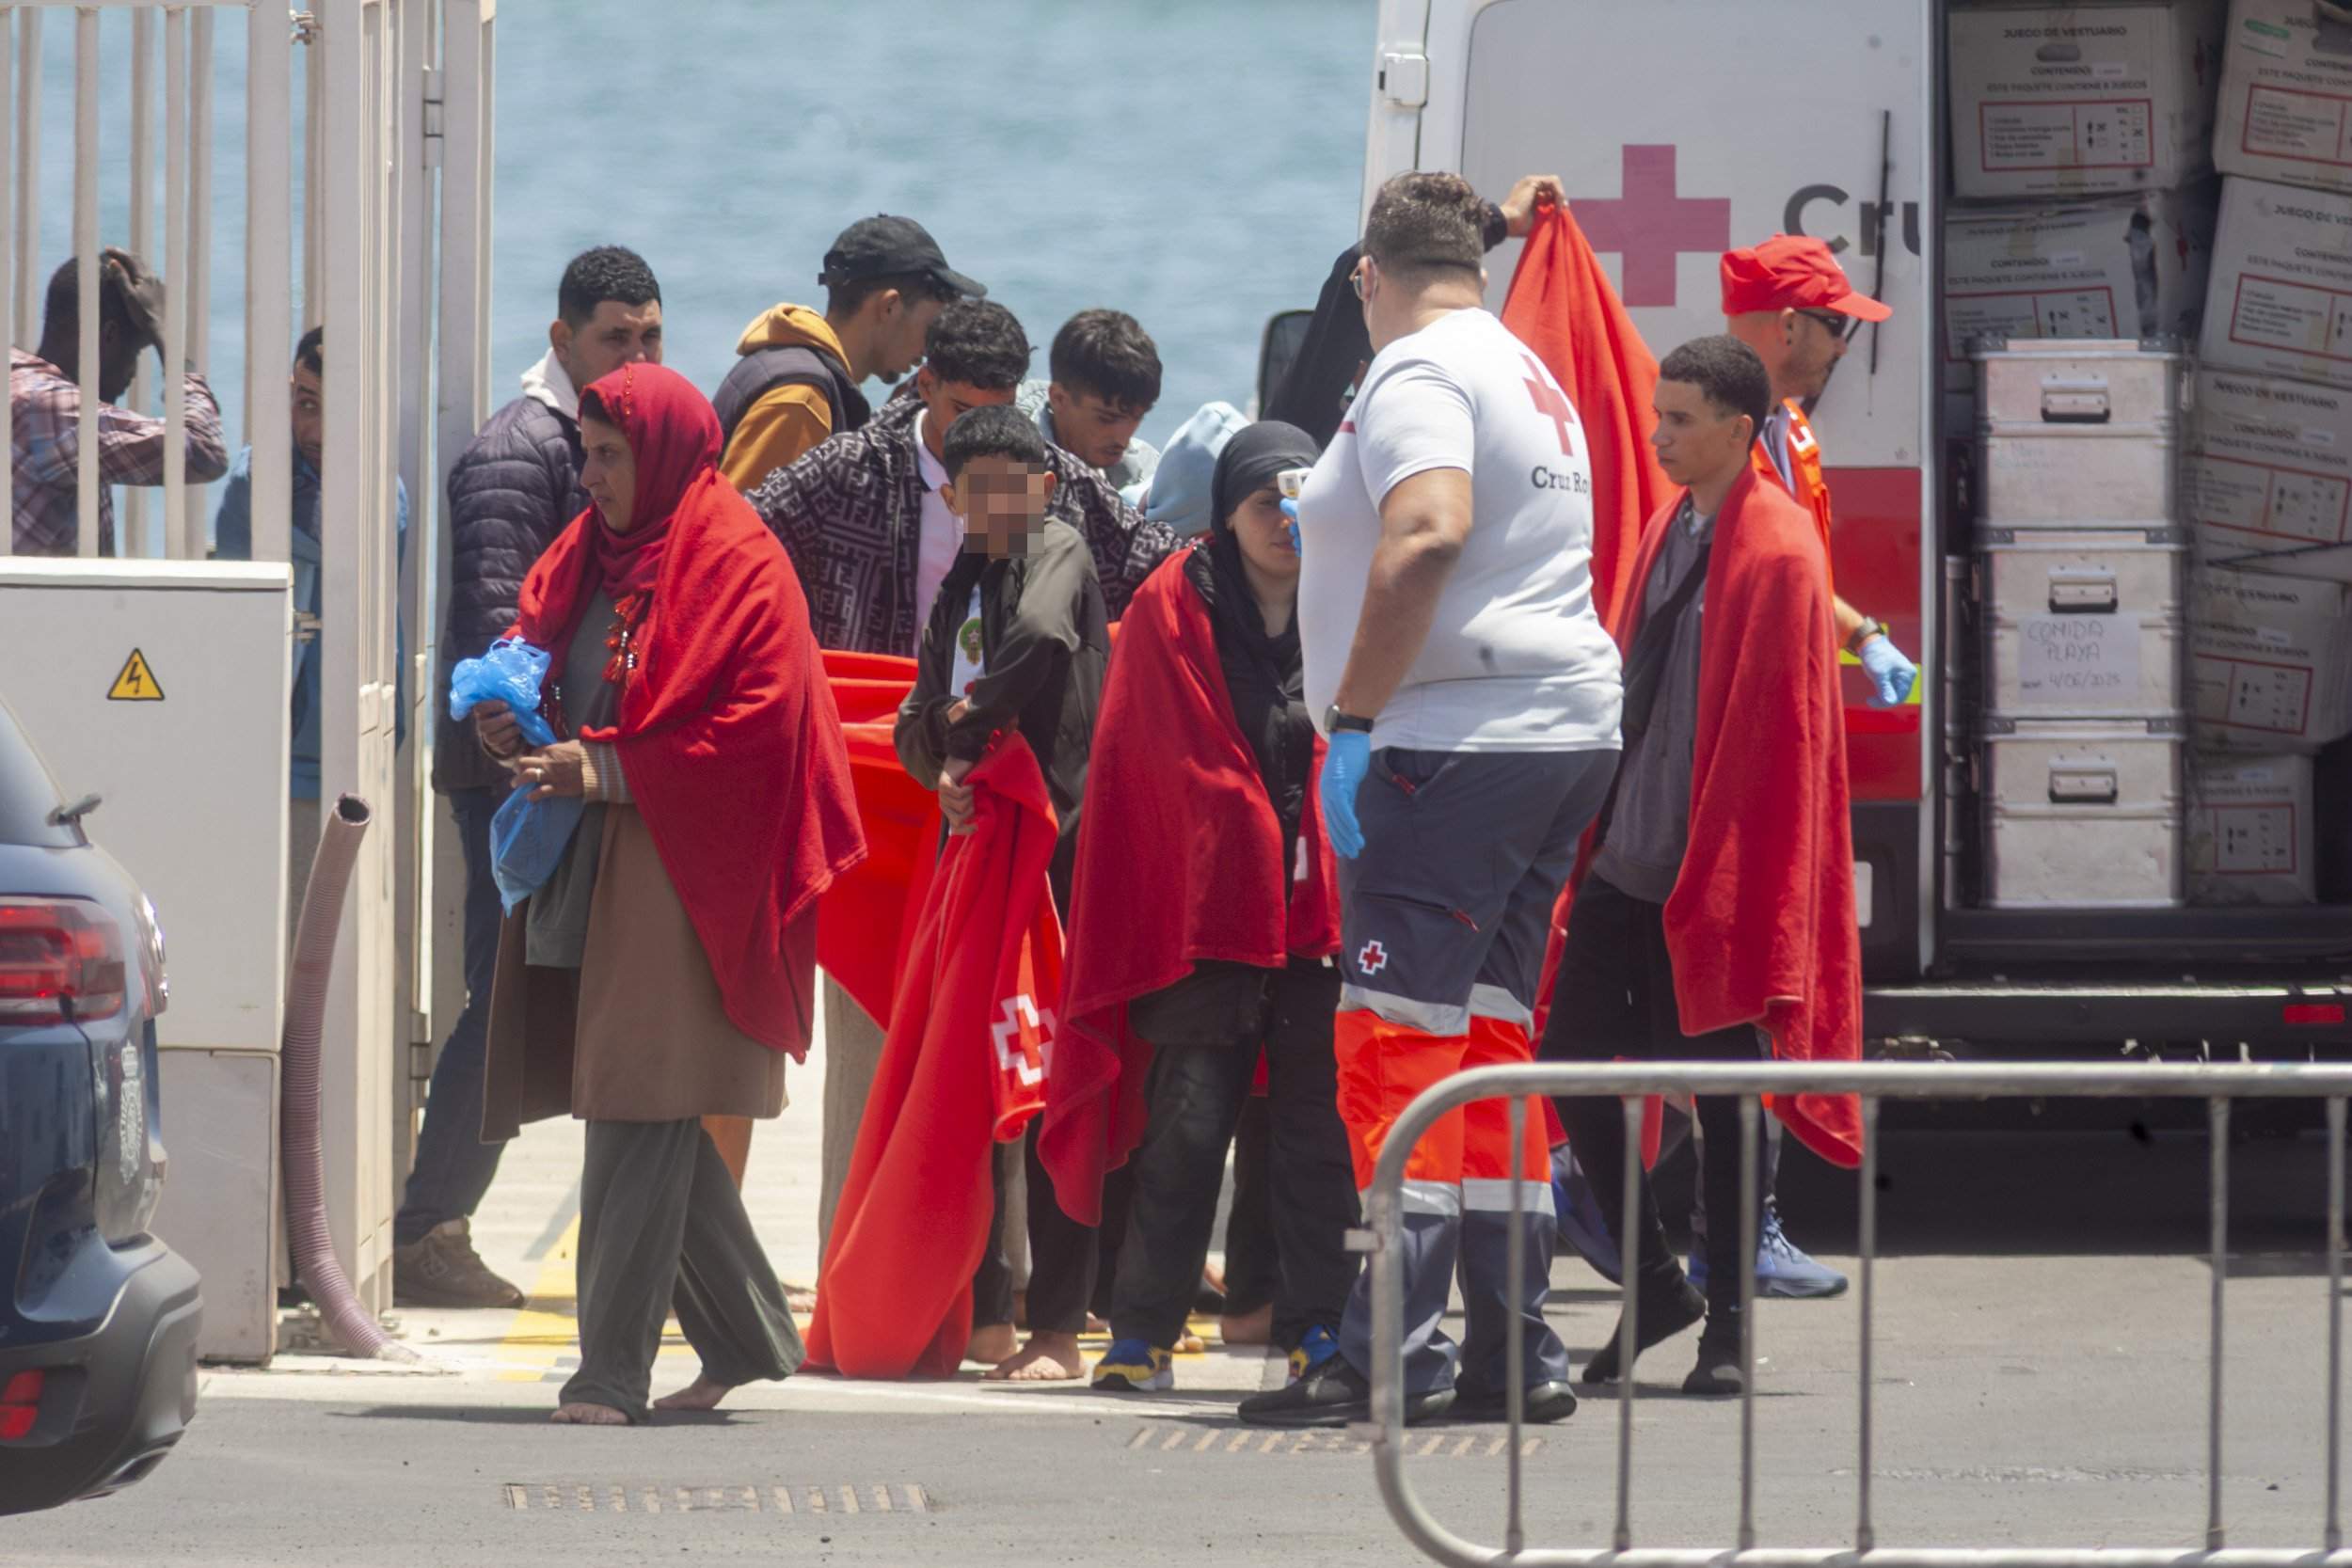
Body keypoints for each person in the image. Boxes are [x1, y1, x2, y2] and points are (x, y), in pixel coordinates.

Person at [1238, 172, 1623, 1429]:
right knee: (1489, 1046)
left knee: (1393, 1048)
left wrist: (1350, 718)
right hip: (1557, 733)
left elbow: (1428, 532)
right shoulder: (1521, 368)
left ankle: (1387, 1349)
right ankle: (1517, 1345)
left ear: (1366, 275)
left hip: (1448, 744)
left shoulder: (1415, 374)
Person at [748, 299, 1176, 1271]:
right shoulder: (849, 465)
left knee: (1011, 1025)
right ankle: (859, 1255)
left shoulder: (1051, 479)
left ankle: (1003, 1281)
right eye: (960, 410)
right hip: (883, 763)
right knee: (873, 1024)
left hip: (1014, 786)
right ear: (924, 384)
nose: (982, 439)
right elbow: (747, 545)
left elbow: (1156, 572)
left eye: (1001, 412)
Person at [473, 360, 864, 1426]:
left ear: (665, 453)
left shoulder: (736, 558)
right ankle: (744, 1332)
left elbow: (759, 725)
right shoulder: (590, 550)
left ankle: (608, 1373)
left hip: (688, 869)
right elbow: (544, 659)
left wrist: (603, 769)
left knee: (635, 1100)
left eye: (611, 454)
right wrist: (510, 720)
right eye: (587, 452)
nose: (591, 474)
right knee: (643, 1104)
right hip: (595, 861)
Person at [1542, 336, 1863, 1399]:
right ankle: (1653, 1279)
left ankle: (1725, 1321)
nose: (1658, 433)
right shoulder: (1665, 524)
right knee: (1571, 1064)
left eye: (1678, 418)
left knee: (1727, 1102)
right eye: (1657, 413)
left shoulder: (1776, 546)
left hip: (1707, 873)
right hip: (1627, 855)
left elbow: (1785, 746)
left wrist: (1736, 883)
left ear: (1738, 426)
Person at [1040, 420, 1359, 1395]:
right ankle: (1141, 1332)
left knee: (1312, 1131)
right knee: (1185, 1125)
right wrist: (1249, 826)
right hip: (1203, 911)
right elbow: (1151, 760)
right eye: (1267, 500)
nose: (1287, 520)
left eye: (1304, 500)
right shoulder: (1175, 601)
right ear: (1227, 510)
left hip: (1316, 919)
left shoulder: (1349, 591)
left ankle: (1316, 1327)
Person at [399, 245, 663, 1309]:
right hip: (516, 775)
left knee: (525, 996)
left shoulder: (582, 437)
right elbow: (499, 627)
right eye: (616, 337)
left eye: (650, 335)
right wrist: (539, 764)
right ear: (563, 341)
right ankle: (427, 1225)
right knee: (497, 999)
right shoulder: (522, 449)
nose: (638, 354)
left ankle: (436, 1218)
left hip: (559, 767)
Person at [893, 404, 1110, 1381]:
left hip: (1062, 861)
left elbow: (1032, 637)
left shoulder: (1056, 546)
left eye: (994, 488)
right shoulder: (961, 580)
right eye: (961, 489)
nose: (976, 507)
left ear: (1040, 485)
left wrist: (964, 732)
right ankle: (982, 1311)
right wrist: (941, 750)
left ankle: (1059, 1322)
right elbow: (911, 716)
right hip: (978, 859)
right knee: (974, 1078)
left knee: (1057, 1083)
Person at [213, 326, 409, 938]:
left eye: (335, 405)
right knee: (295, 956)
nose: (318, 430)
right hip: (283, 762)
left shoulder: (381, 489)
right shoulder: (261, 484)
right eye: (305, 404)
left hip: (358, 751)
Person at [1264, 173, 1566, 450]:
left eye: (1358, 285)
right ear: (1481, 282)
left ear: (1368, 279)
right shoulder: (1537, 384)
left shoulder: (1418, 381)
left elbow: (1281, 442)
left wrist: (1501, 220)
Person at [714, 214, 981, 492]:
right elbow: (743, 529)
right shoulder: (803, 400)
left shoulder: (794, 366)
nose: (929, 351)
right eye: (930, 328)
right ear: (889, 306)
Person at [11, 249, 228, 555]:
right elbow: (205, 450)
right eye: (137, 352)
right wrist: (165, 333)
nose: (134, 374)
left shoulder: (16, 382)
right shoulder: (52, 412)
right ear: (108, 335)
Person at [1013, 308, 1161, 491]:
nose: (1121, 437)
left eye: (1137, 416)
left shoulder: (1148, 473)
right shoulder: (1000, 464)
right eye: (1105, 418)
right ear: (1059, 399)